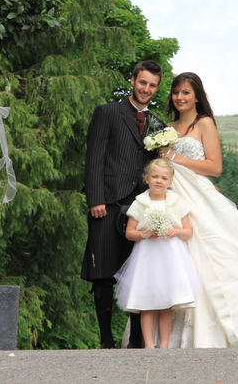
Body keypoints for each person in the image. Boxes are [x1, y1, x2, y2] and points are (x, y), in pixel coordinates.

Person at [158, 72, 238, 348]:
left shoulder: (204, 123)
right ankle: (163, 337)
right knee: (172, 258)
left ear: (197, 96)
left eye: (186, 92)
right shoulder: (165, 128)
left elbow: (215, 167)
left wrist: (176, 157)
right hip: (172, 198)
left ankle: (205, 333)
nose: (180, 97)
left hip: (197, 198)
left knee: (206, 257)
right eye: (176, 92)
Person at [81, 60, 164, 349]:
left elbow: (160, 167)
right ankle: (106, 340)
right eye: (142, 82)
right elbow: (94, 157)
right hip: (108, 203)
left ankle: (136, 342)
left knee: (138, 273)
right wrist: (96, 199)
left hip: (142, 207)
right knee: (104, 274)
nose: (146, 89)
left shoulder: (158, 124)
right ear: (132, 81)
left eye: (152, 85)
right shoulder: (107, 112)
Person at [114, 158, 202, 349]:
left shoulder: (176, 202)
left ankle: (164, 345)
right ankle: (148, 344)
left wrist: (175, 231)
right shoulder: (140, 203)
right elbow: (129, 233)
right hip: (147, 257)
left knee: (166, 304)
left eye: (163, 178)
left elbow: (188, 231)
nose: (159, 181)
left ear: (170, 182)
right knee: (146, 302)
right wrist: (145, 234)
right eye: (154, 177)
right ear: (146, 179)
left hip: (171, 258)